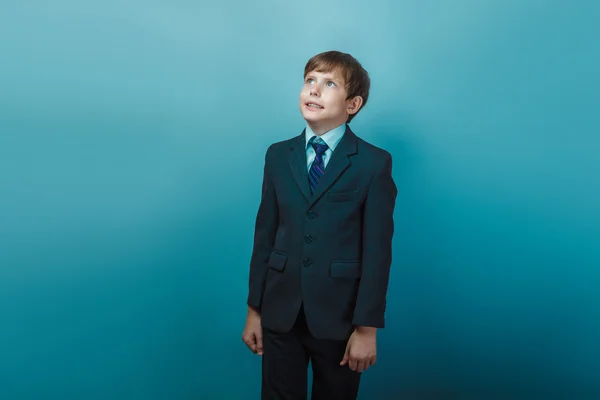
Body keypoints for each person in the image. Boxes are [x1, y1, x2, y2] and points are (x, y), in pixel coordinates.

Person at [242, 50, 397, 400]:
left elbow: (377, 252)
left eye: (329, 84)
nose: (314, 89)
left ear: (352, 104)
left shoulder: (373, 163)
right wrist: (255, 310)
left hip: (339, 317)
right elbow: (265, 234)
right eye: (310, 80)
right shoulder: (278, 155)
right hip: (280, 313)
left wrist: (366, 329)